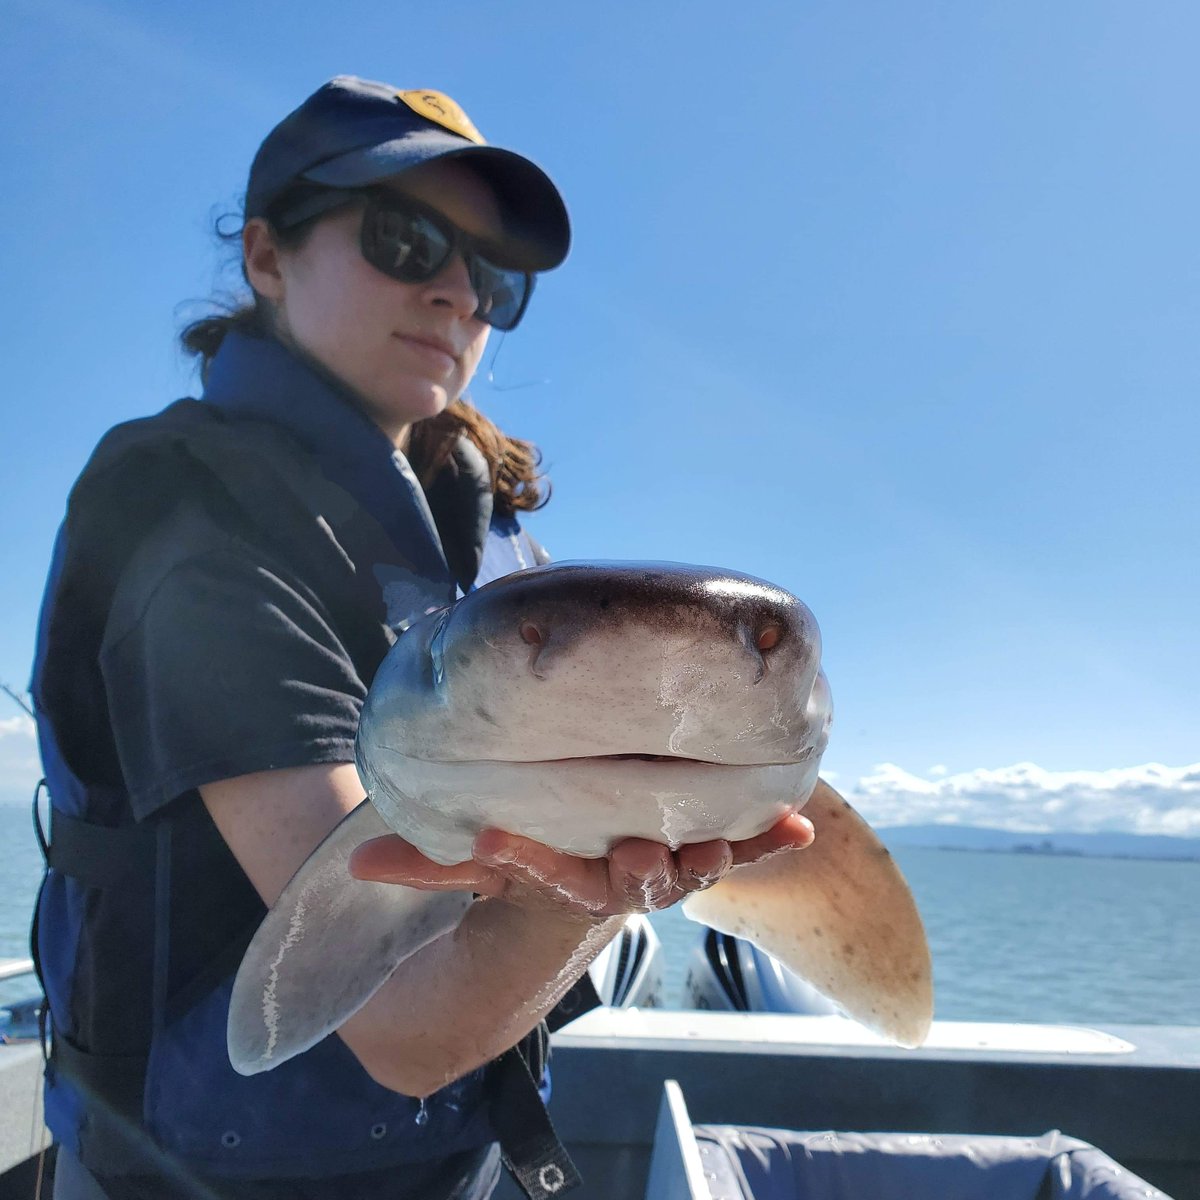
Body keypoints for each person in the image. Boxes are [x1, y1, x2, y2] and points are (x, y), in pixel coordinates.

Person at [30, 76, 814, 1200]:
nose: (458, 295)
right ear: (266, 256)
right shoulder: (195, 530)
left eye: (496, 277)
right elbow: (397, 1030)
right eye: (406, 239)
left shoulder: (486, 544)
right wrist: (580, 893)